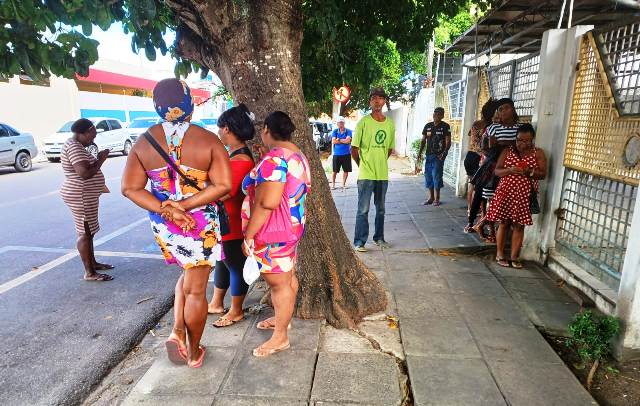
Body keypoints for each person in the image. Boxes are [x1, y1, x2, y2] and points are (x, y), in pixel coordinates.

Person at [121, 78, 231, 368]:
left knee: (187, 277)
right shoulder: (208, 140)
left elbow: (130, 188)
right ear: (189, 104)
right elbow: (224, 186)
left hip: (167, 226)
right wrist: (184, 205)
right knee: (197, 290)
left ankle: (178, 331)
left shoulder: (143, 142)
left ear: (157, 106)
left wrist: (167, 209)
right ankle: (194, 352)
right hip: (200, 225)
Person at [242, 111, 311, 357]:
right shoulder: (298, 156)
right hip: (290, 228)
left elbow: (266, 203)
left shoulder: (275, 159)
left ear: (268, 131)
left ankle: (280, 336)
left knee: (278, 283)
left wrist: (249, 234)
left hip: (272, 233)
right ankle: (283, 320)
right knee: (287, 276)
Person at [207, 104, 256, 328]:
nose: (218, 133)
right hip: (225, 220)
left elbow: (225, 193)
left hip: (233, 221)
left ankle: (236, 311)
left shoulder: (240, 161)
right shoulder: (235, 156)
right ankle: (216, 302)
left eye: (219, 129)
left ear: (227, 129)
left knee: (234, 264)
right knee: (222, 261)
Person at [486, 123, 547, 269]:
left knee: (519, 226)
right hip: (505, 193)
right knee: (504, 223)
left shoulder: (538, 153)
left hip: (523, 195)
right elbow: (497, 171)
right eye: (519, 140)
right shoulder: (508, 151)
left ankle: (514, 257)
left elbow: (543, 174)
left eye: (526, 141)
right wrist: (511, 170)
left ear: (532, 139)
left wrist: (529, 172)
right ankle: (500, 254)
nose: (522, 143)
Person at [60, 118, 113, 282]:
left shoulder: (76, 145)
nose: (93, 139)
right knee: (85, 233)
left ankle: (93, 264)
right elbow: (84, 173)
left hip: (85, 195)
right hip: (80, 195)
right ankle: (89, 273)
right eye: (92, 136)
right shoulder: (74, 147)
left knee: (89, 231)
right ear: (85, 132)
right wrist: (101, 160)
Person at [351, 87, 396, 252]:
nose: (377, 101)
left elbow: (389, 149)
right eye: (374, 98)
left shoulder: (390, 124)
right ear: (370, 102)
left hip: (382, 174)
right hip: (366, 174)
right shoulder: (363, 122)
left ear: (384, 101)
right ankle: (359, 242)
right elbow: (354, 148)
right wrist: (361, 165)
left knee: (381, 209)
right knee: (363, 209)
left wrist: (380, 161)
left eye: (380, 98)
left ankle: (379, 238)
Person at [416, 107, 451, 206]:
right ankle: (430, 198)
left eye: (439, 114)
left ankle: (437, 199)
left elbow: (448, 142)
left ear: (442, 116)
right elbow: (423, 141)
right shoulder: (428, 126)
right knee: (428, 176)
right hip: (429, 155)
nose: (436, 115)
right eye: (435, 113)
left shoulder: (445, 126)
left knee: (436, 176)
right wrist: (419, 153)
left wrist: (444, 153)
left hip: (438, 156)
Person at [330, 116, 353, 191]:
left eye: (342, 122)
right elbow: (333, 141)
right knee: (334, 171)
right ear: (337, 123)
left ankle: (343, 184)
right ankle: (333, 184)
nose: (340, 124)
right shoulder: (335, 131)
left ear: (344, 123)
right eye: (339, 122)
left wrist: (339, 139)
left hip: (346, 154)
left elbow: (348, 141)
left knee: (346, 170)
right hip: (337, 154)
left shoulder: (348, 131)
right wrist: (344, 140)